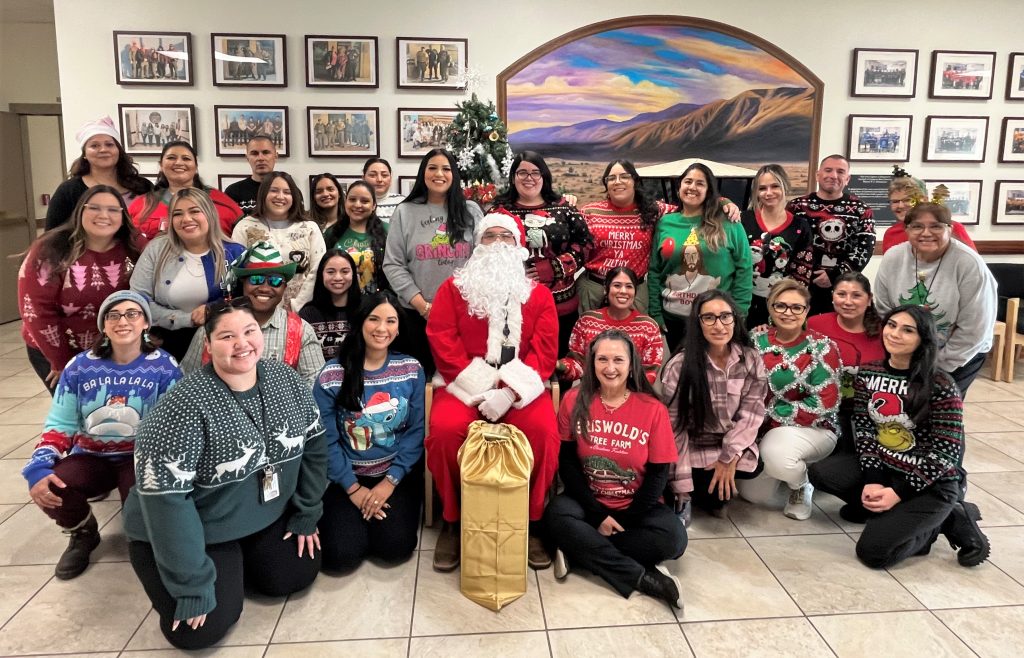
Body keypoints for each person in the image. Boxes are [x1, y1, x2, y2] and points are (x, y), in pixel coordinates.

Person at [122, 298, 327, 651]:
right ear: (208, 344)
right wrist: (190, 585)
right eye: (227, 336)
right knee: (197, 632)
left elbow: (315, 446)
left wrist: (307, 511)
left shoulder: (286, 381)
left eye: (249, 331)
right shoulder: (180, 408)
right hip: (193, 528)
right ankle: (188, 568)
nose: (242, 343)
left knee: (294, 574)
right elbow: (167, 503)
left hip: (257, 515)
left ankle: (236, 566)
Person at [425, 211, 559, 572]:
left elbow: (545, 351)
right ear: (477, 245)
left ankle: (530, 522)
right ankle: (454, 521)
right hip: (463, 385)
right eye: (490, 237)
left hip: (522, 387)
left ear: (519, 247)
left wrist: (510, 392)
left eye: (506, 237)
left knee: (544, 434)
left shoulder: (540, 295)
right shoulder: (452, 289)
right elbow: (441, 339)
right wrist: (484, 387)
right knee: (444, 433)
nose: (498, 244)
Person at [808, 306, 990, 569]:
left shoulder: (941, 385)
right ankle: (891, 512)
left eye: (907, 330)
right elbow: (865, 429)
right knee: (821, 473)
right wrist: (874, 480)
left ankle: (946, 519)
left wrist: (898, 492)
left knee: (874, 554)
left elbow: (945, 455)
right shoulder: (869, 373)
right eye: (891, 325)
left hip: (931, 483)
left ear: (923, 339)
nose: (894, 334)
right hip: (888, 466)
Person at [22, 291, 180, 580]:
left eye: (132, 314)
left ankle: (143, 541)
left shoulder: (165, 367)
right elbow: (60, 423)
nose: (123, 321)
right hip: (91, 456)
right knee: (54, 484)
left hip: (139, 456)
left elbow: (173, 426)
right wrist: (39, 465)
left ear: (145, 322)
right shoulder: (79, 366)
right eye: (114, 315)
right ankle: (83, 532)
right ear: (103, 325)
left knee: (143, 499)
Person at [544, 330, 685, 608]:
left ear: (631, 364)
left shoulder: (652, 408)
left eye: (618, 360)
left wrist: (628, 519)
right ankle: (643, 577)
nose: (610, 368)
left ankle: (577, 551)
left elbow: (658, 473)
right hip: (587, 501)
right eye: (602, 359)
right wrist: (598, 515)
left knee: (674, 540)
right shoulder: (574, 401)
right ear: (591, 363)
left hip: (636, 505)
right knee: (555, 517)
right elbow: (568, 463)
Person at [314, 291, 425, 571]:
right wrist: (353, 489)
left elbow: (416, 432)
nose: (381, 328)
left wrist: (390, 481)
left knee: (394, 549)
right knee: (340, 557)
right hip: (346, 477)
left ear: (399, 327)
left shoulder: (411, 370)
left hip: (396, 475)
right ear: (360, 322)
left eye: (390, 321)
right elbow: (326, 440)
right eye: (374, 319)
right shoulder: (331, 375)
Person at [19, 186, 140, 394]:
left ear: (123, 216)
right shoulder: (50, 249)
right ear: (80, 211)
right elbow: (36, 311)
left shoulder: (134, 247)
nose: (104, 215)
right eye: (94, 208)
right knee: (73, 416)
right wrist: (62, 362)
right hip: (55, 350)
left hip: (113, 350)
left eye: (113, 210)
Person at [739, 279, 842, 520]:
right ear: (769, 307)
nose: (788, 313)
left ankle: (801, 485)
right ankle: (782, 467)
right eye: (781, 306)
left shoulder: (822, 348)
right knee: (753, 495)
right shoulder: (755, 339)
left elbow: (824, 404)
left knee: (778, 456)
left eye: (797, 307)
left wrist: (767, 418)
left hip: (813, 427)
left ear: (807, 310)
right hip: (762, 428)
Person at [662, 290, 767, 523]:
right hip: (690, 445)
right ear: (697, 323)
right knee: (684, 483)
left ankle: (711, 488)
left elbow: (751, 414)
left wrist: (729, 456)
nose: (718, 325)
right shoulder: (679, 365)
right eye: (708, 317)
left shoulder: (750, 359)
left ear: (735, 319)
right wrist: (682, 487)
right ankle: (685, 494)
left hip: (726, 445)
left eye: (725, 317)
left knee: (746, 472)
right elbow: (674, 428)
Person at [873, 202, 997, 396]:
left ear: (950, 228)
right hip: (907, 352)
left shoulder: (969, 263)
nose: (926, 233)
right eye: (917, 226)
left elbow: (974, 329)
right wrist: (903, 354)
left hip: (960, 353)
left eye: (936, 226)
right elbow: (883, 309)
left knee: (939, 409)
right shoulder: (893, 257)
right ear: (907, 230)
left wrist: (935, 366)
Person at [382, 148, 483, 374]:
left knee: (463, 380)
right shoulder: (405, 212)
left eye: (446, 169)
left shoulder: (471, 211)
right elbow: (393, 264)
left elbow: (482, 260)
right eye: (433, 168)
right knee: (422, 380)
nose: (440, 174)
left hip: (464, 315)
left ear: (454, 174)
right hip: (417, 317)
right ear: (423, 173)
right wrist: (425, 308)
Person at [489, 151, 593, 359]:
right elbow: (488, 252)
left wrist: (555, 268)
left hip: (560, 306)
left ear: (544, 177)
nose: (529, 178)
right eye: (523, 173)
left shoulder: (564, 208)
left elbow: (587, 245)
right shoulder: (498, 213)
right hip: (514, 307)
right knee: (519, 362)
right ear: (513, 177)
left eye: (536, 173)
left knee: (558, 361)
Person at [180, 242, 325, 386]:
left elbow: (315, 385)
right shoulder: (212, 328)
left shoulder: (301, 331)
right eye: (256, 279)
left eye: (275, 281)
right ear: (243, 283)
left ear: (284, 288)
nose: (264, 288)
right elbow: (186, 381)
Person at [130, 188, 245, 360]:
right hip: (163, 343)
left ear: (210, 214)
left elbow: (246, 299)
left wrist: (214, 309)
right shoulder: (156, 249)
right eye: (177, 214)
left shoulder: (235, 253)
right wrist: (186, 318)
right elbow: (138, 300)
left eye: (194, 211)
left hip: (220, 344)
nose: (186, 219)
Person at [649, 162, 753, 352]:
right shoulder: (665, 222)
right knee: (679, 375)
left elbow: (744, 268)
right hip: (674, 320)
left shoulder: (728, 222)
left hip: (716, 322)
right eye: (688, 181)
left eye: (700, 183)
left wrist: (739, 313)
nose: (692, 187)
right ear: (679, 186)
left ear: (709, 190)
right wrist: (655, 313)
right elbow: (655, 270)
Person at [578, 160, 673, 314]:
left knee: (633, 336)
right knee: (591, 335)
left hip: (634, 291)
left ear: (635, 181)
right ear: (606, 184)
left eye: (624, 177)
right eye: (611, 178)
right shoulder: (590, 212)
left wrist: (721, 203)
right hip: (594, 289)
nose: (618, 182)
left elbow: (688, 211)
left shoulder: (652, 210)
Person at [786, 154, 875, 315]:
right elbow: (786, 243)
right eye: (828, 170)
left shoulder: (861, 209)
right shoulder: (797, 207)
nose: (834, 176)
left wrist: (835, 275)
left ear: (847, 178)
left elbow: (865, 248)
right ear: (817, 175)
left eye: (840, 172)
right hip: (799, 286)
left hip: (843, 289)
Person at [807, 272, 886, 449]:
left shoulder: (886, 332)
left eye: (856, 295)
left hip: (869, 415)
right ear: (832, 296)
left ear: (869, 299)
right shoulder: (813, 324)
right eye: (841, 294)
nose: (848, 302)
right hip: (822, 411)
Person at [232, 171, 326, 313]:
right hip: (255, 310)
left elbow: (318, 270)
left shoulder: (309, 227)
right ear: (263, 194)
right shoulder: (245, 227)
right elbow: (236, 271)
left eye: (287, 192)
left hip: (303, 310)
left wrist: (297, 305)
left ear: (294, 196)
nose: (280, 197)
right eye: (274, 190)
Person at [558, 267, 664, 384]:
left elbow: (649, 374)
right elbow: (578, 364)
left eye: (629, 286)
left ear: (635, 292)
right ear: (605, 289)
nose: (623, 291)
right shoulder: (587, 321)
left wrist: (621, 391)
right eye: (617, 285)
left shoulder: (648, 327)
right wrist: (559, 366)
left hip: (632, 395)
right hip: (591, 393)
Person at [45, 117, 153, 230]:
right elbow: (52, 233)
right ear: (84, 154)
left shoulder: (143, 186)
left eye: (109, 145)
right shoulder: (68, 190)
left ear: (118, 151)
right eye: (94, 146)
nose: (103, 150)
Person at [128, 141, 243, 246]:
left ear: (196, 166)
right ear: (161, 166)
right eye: (171, 158)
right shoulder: (141, 204)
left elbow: (242, 237)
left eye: (186, 158)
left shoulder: (222, 201)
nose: (178, 162)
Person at [741, 164, 813, 328]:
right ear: (756, 192)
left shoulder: (800, 226)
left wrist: (786, 309)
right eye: (762, 188)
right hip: (744, 306)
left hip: (782, 310)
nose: (768, 193)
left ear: (785, 187)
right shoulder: (743, 220)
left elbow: (802, 275)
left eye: (775, 186)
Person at [881, 167, 976, 254]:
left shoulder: (951, 228)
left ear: (925, 200)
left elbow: (972, 263)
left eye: (907, 200)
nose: (900, 206)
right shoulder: (891, 233)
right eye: (895, 201)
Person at [323, 180, 389, 294]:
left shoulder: (388, 231)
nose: (357, 205)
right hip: (339, 302)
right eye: (352, 200)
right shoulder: (331, 233)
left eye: (365, 201)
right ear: (345, 202)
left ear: (374, 206)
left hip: (378, 304)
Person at [300, 249, 361, 362]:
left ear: (353, 274)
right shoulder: (307, 315)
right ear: (321, 274)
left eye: (345, 271)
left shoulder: (366, 309)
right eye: (331, 272)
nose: (338, 277)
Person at [224, 135, 278, 215]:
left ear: (276, 156)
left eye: (266, 152)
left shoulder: (289, 191)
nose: (260, 158)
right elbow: (226, 225)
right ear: (247, 158)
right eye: (254, 153)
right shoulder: (233, 192)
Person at [363, 158, 406, 224]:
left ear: (390, 179)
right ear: (363, 178)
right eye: (372, 175)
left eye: (384, 175)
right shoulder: (355, 203)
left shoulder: (403, 203)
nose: (379, 180)